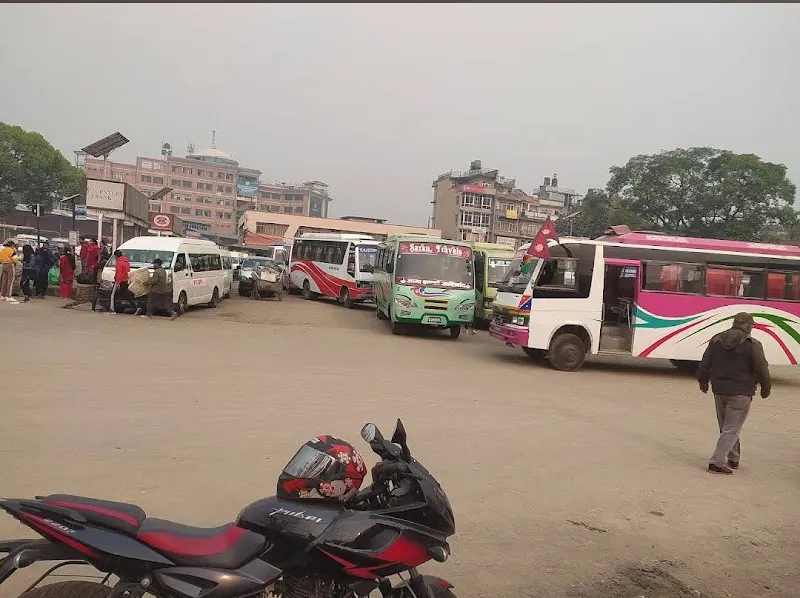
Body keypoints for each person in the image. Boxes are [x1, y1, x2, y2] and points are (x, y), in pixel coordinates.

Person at [697, 312, 771, 475]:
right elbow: (761, 368)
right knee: (731, 429)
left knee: (727, 427)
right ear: (748, 325)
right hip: (741, 392)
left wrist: (703, 381)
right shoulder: (752, 344)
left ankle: (734, 458)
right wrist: (766, 387)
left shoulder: (716, 339)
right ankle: (716, 462)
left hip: (719, 390)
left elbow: (705, 362)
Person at [108, 250, 130, 314]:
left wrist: (118, 283)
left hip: (120, 281)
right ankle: (135, 306)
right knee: (126, 295)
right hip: (126, 280)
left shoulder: (119, 263)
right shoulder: (126, 261)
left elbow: (119, 274)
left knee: (113, 295)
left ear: (115, 256)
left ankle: (112, 308)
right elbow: (128, 270)